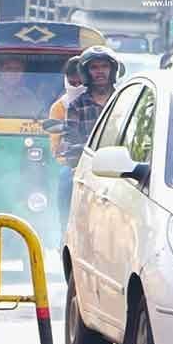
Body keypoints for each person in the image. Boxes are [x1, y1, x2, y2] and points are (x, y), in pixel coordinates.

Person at [58, 46, 120, 234]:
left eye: (104, 66)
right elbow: (70, 137)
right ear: (86, 72)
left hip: (121, 167)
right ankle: (65, 234)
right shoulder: (76, 105)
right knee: (65, 181)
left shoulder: (124, 99)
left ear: (112, 70)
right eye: (94, 67)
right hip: (87, 166)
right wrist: (80, 152)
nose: (100, 72)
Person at [48, 56, 84, 234]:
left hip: (100, 159)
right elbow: (56, 148)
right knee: (66, 180)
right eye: (72, 82)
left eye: (80, 82)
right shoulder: (59, 107)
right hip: (72, 163)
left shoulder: (104, 100)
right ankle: (64, 229)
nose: (76, 86)